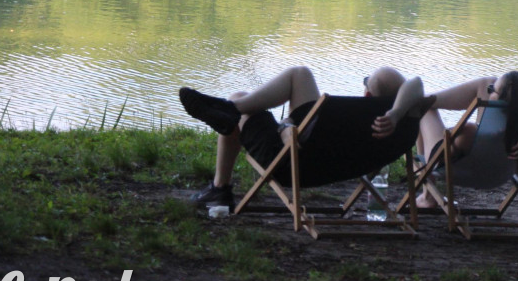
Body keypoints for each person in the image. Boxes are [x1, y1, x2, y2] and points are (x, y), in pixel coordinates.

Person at [180, 65, 432, 207]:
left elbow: (292, 138)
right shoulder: (402, 125)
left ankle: (220, 186)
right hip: (333, 166)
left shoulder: (358, 120)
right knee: (292, 82)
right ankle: (229, 110)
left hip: (288, 163)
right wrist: (398, 112)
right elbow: (416, 83)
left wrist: (285, 128)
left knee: (248, 95)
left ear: (366, 95)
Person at [413, 71, 518, 208]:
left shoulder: (469, 133)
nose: (489, 92)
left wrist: (453, 132)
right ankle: (428, 99)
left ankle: (428, 194)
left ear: (502, 101)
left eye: (492, 91)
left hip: (460, 168)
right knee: (487, 81)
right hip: (499, 173)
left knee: (424, 106)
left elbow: (458, 139)